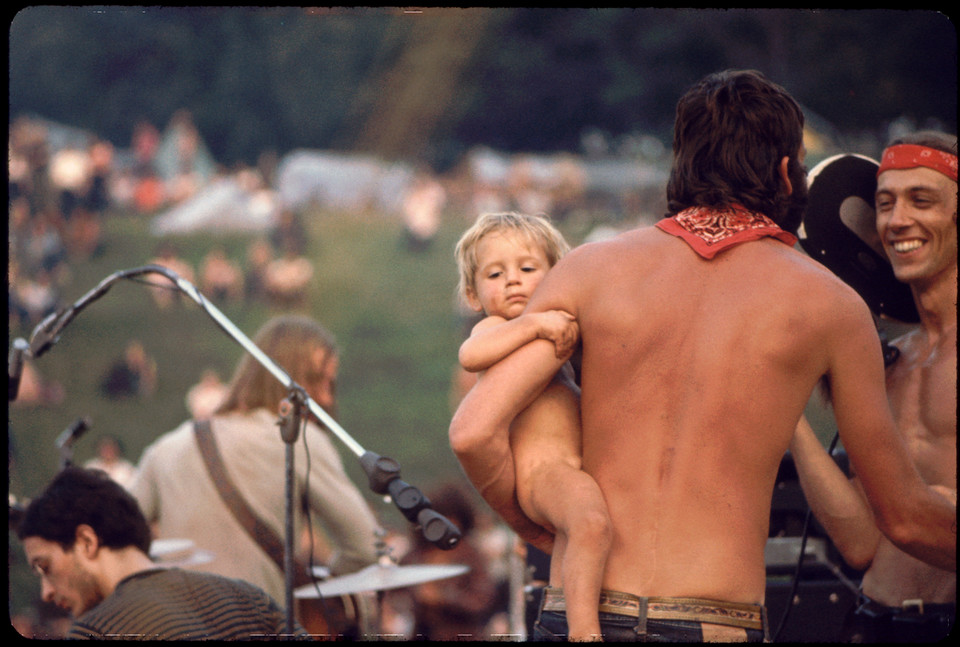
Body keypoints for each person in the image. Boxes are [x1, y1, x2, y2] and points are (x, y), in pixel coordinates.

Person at [448, 69, 956, 643]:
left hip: (577, 615)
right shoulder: (832, 307)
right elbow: (900, 521)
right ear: (788, 173)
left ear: (682, 163)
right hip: (714, 622)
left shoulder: (589, 270)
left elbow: (473, 431)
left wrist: (530, 526)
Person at [789, 130, 957, 642]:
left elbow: (910, 524)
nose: (897, 220)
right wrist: (789, 414)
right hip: (871, 620)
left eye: (921, 201)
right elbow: (861, 541)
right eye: (884, 204)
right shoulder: (886, 363)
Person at [129, 315, 381, 614]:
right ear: (287, 381)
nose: (326, 397)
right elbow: (366, 547)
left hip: (173, 626)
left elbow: (113, 542)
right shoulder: (299, 439)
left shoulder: (163, 450)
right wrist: (317, 593)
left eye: (331, 384)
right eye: (317, 381)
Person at [454, 211, 610, 640]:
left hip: (574, 467)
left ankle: (559, 620)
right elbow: (472, 354)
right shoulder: (497, 327)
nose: (512, 281)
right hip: (543, 472)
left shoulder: (556, 333)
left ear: (557, 275)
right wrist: (535, 324)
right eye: (495, 274)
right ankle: (584, 633)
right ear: (473, 293)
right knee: (590, 523)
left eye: (527, 269)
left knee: (576, 543)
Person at [15, 466, 307, 640]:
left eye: (45, 567)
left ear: (86, 541)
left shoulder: (96, 631)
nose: (46, 592)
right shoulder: (249, 599)